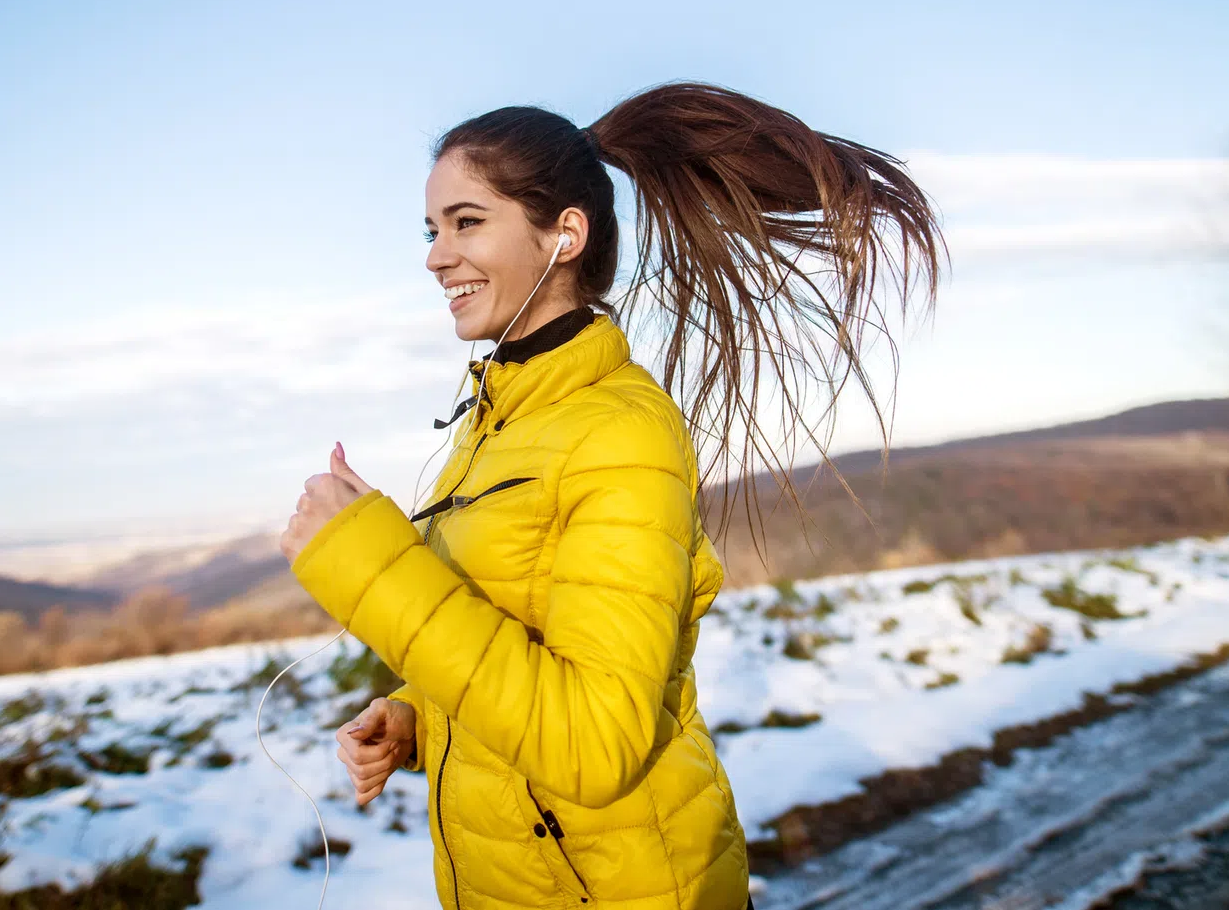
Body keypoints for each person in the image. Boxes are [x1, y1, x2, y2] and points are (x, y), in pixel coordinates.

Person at [279, 82, 942, 910]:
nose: (434, 254)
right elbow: (520, 632)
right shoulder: (499, 420)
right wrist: (418, 715)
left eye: (466, 221)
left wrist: (362, 559)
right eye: (431, 228)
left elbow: (596, 738)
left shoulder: (622, 433)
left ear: (565, 234)